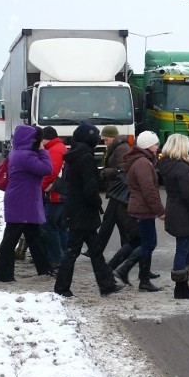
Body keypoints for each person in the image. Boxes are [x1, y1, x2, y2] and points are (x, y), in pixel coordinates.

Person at [53, 122, 125, 297]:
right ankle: (62, 287)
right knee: (74, 251)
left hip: (75, 210)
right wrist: (96, 204)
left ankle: (106, 284)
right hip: (83, 212)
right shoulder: (86, 158)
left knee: (94, 250)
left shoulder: (73, 156)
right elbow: (90, 188)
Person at [0, 125, 56, 281]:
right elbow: (47, 169)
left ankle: (44, 269)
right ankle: (2, 274)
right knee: (11, 238)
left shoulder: (17, 153)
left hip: (21, 200)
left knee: (34, 237)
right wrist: (42, 150)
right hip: (22, 202)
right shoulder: (27, 156)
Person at [96, 125, 149, 277]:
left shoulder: (122, 149)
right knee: (122, 227)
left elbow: (122, 170)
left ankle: (108, 259)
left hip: (120, 192)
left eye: (106, 139)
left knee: (125, 228)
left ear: (113, 137)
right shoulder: (117, 147)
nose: (105, 142)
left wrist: (104, 172)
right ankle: (131, 268)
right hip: (118, 191)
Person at [116, 131, 165, 291]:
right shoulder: (143, 162)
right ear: (147, 145)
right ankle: (128, 271)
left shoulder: (141, 160)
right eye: (155, 144)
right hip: (143, 208)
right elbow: (149, 189)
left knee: (143, 243)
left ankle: (140, 277)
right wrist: (160, 210)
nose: (157, 147)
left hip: (140, 207)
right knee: (149, 243)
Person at [157, 134, 189, 299]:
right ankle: (181, 287)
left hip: (176, 209)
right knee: (185, 247)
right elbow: (187, 193)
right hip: (184, 212)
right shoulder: (181, 167)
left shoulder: (168, 164)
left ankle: (183, 284)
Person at [39, 126, 68, 266]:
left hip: (55, 195)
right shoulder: (58, 147)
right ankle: (64, 255)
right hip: (60, 194)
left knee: (48, 225)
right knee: (60, 226)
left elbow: (51, 172)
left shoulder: (54, 150)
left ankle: (56, 258)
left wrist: (41, 187)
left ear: (46, 139)